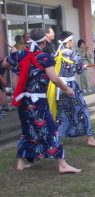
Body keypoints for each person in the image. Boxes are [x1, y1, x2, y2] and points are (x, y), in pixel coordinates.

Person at [0, 28, 81, 173]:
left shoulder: (18, 54)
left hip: (22, 100)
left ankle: (20, 162)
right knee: (51, 129)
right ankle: (62, 165)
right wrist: (67, 89)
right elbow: (54, 78)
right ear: (43, 42)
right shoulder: (44, 57)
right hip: (38, 101)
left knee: (27, 129)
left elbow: (3, 64)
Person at [53, 31, 95, 148]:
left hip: (60, 87)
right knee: (83, 110)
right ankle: (90, 138)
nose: (73, 43)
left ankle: (57, 138)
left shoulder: (56, 55)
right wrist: (83, 66)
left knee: (62, 112)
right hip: (71, 86)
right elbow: (79, 70)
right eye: (72, 41)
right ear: (69, 42)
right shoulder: (73, 54)